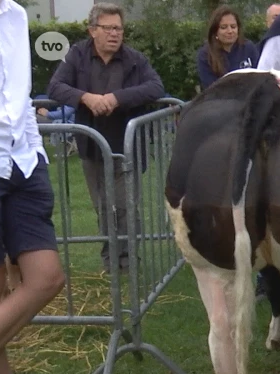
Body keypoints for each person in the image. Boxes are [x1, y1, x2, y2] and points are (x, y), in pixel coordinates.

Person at [0, 0, 67, 374]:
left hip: (24, 161)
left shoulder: (14, 15)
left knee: (46, 277)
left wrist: (34, 148)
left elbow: (18, 91)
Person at [47, 2, 165, 274]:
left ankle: (127, 264)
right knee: (103, 208)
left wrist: (116, 98)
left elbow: (156, 87)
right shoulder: (77, 55)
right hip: (91, 147)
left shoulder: (135, 58)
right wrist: (85, 98)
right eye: (109, 28)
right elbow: (55, 86)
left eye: (119, 28)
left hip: (126, 147)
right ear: (92, 31)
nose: (115, 34)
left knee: (125, 207)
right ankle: (109, 262)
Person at [197, 5, 260, 90]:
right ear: (215, 31)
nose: (230, 31)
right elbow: (212, 89)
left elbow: (260, 79)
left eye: (233, 27)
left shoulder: (249, 48)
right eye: (224, 27)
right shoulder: (205, 55)